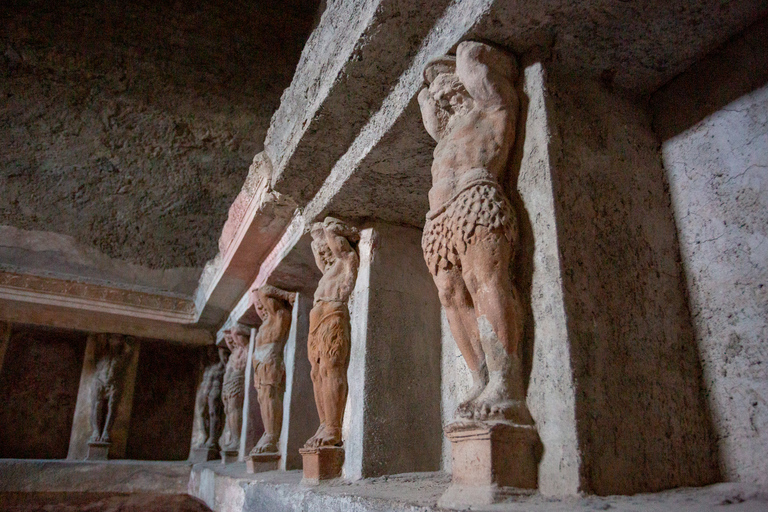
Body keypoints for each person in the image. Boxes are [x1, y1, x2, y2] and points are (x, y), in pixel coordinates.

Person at [417, 41, 531, 424]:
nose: (444, 98)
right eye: (439, 96)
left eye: (450, 90)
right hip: (439, 218)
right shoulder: (445, 136)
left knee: (486, 282)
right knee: (451, 296)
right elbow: (429, 115)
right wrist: (427, 88)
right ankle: (479, 378)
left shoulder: (491, 109)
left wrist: (463, 59)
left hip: (475, 197)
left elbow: (477, 72)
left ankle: (505, 381)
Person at [304, 217, 359, 448]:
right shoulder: (326, 273)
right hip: (317, 319)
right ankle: (324, 422)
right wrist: (315, 236)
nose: (324, 255)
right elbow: (318, 249)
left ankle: (334, 428)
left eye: (326, 250)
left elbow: (332, 235)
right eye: (320, 252)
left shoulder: (346, 260)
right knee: (316, 373)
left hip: (332, 315)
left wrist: (325, 229)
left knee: (331, 367)